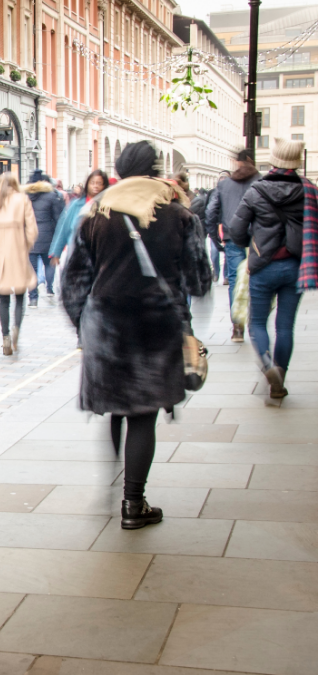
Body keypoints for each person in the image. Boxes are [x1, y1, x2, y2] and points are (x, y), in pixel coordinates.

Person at [62, 141, 211, 530]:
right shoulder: (179, 215)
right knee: (143, 415)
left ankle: (115, 481)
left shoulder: (95, 214)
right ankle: (133, 502)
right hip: (156, 326)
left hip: (107, 326)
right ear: (155, 170)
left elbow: (72, 282)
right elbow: (198, 279)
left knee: (117, 408)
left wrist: (84, 325)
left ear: (118, 171)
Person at [229, 139, 314, 398]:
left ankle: (267, 366)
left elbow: (236, 229)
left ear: (274, 160)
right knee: (285, 327)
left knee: (257, 322)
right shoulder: (309, 190)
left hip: (263, 266)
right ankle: (280, 377)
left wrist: (250, 245)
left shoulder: (256, 191)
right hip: (295, 267)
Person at [0, 173, 38, 356]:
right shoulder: (22, 200)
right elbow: (32, 230)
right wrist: (26, 245)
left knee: (3, 298)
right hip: (17, 250)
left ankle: (5, 337)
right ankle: (16, 328)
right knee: (20, 295)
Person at [207, 149, 260, 342]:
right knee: (256, 279)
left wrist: (215, 237)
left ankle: (237, 327)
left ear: (237, 162)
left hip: (232, 237)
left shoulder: (225, 184)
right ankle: (256, 324)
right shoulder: (261, 181)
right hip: (257, 239)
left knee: (235, 280)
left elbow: (211, 211)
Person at [23, 170, 65, 307]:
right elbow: (58, 217)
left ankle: (33, 298)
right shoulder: (51, 196)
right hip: (48, 235)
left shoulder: (24, 196)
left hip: (30, 235)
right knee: (49, 264)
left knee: (31, 269)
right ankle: (49, 288)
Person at [48, 169, 109, 265]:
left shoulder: (108, 206)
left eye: (99, 183)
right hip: (76, 255)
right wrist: (56, 253)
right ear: (87, 184)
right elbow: (64, 229)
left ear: (104, 186)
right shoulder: (76, 204)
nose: (95, 186)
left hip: (100, 256)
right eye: (92, 183)